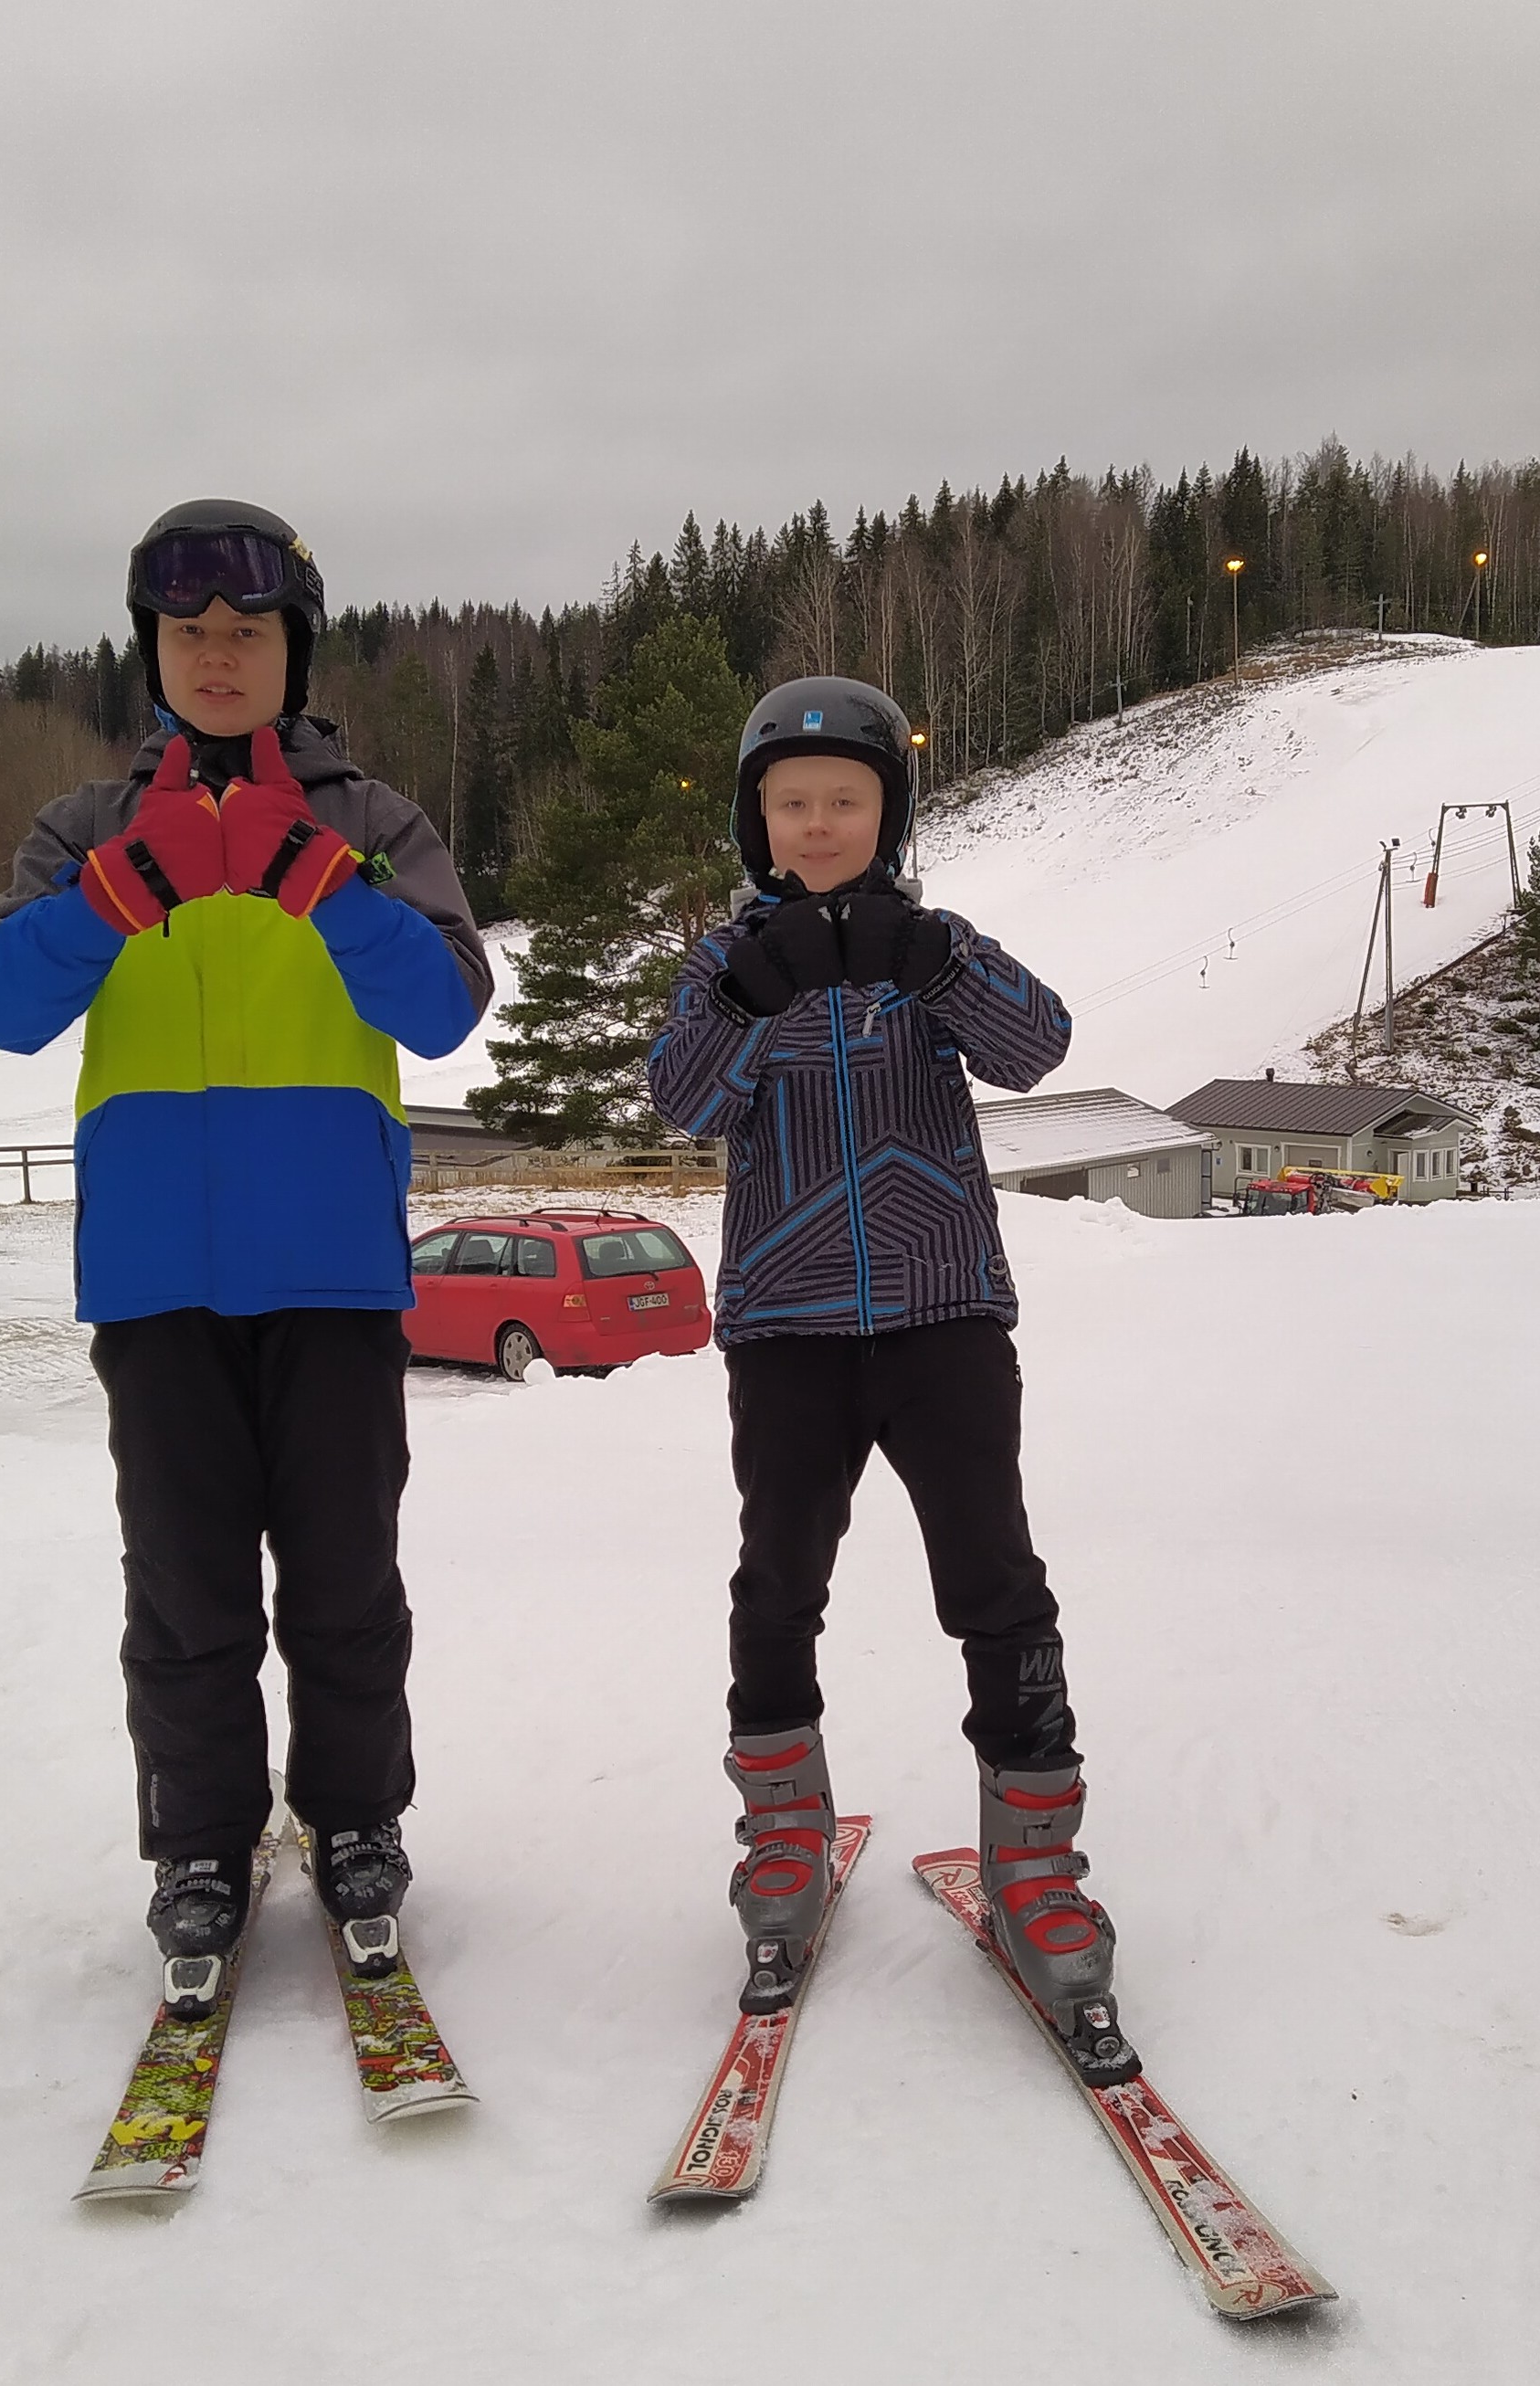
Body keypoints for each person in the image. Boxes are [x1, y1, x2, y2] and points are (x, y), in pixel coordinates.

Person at [0, 500, 490, 2013]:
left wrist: (318, 879)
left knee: (344, 1584)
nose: (214, 654)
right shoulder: (87, 826)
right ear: (151, 650)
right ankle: (198, 1844)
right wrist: (116, 894)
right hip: (156, 1275)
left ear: (292, 650)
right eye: (186, 631)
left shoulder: (372, 823)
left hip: (332, 1268)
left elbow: (447, 1004)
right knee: (185, 1595)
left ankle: (356, 1821)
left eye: (245, 630)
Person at [647, 676, 1136, 2083]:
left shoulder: (937, 945)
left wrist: (933, 963)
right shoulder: (720, 960)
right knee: (777, 1580)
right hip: (787, 1329)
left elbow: (1037, 1045)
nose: (816, 824)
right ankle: (781, 1835)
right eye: (790, 802)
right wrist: (752, 993)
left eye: (844, 801)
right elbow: (680, 1098)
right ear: (755, 822)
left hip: (944, 1316)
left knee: (994, 1576)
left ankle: (1034, 1862)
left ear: (888, 814)